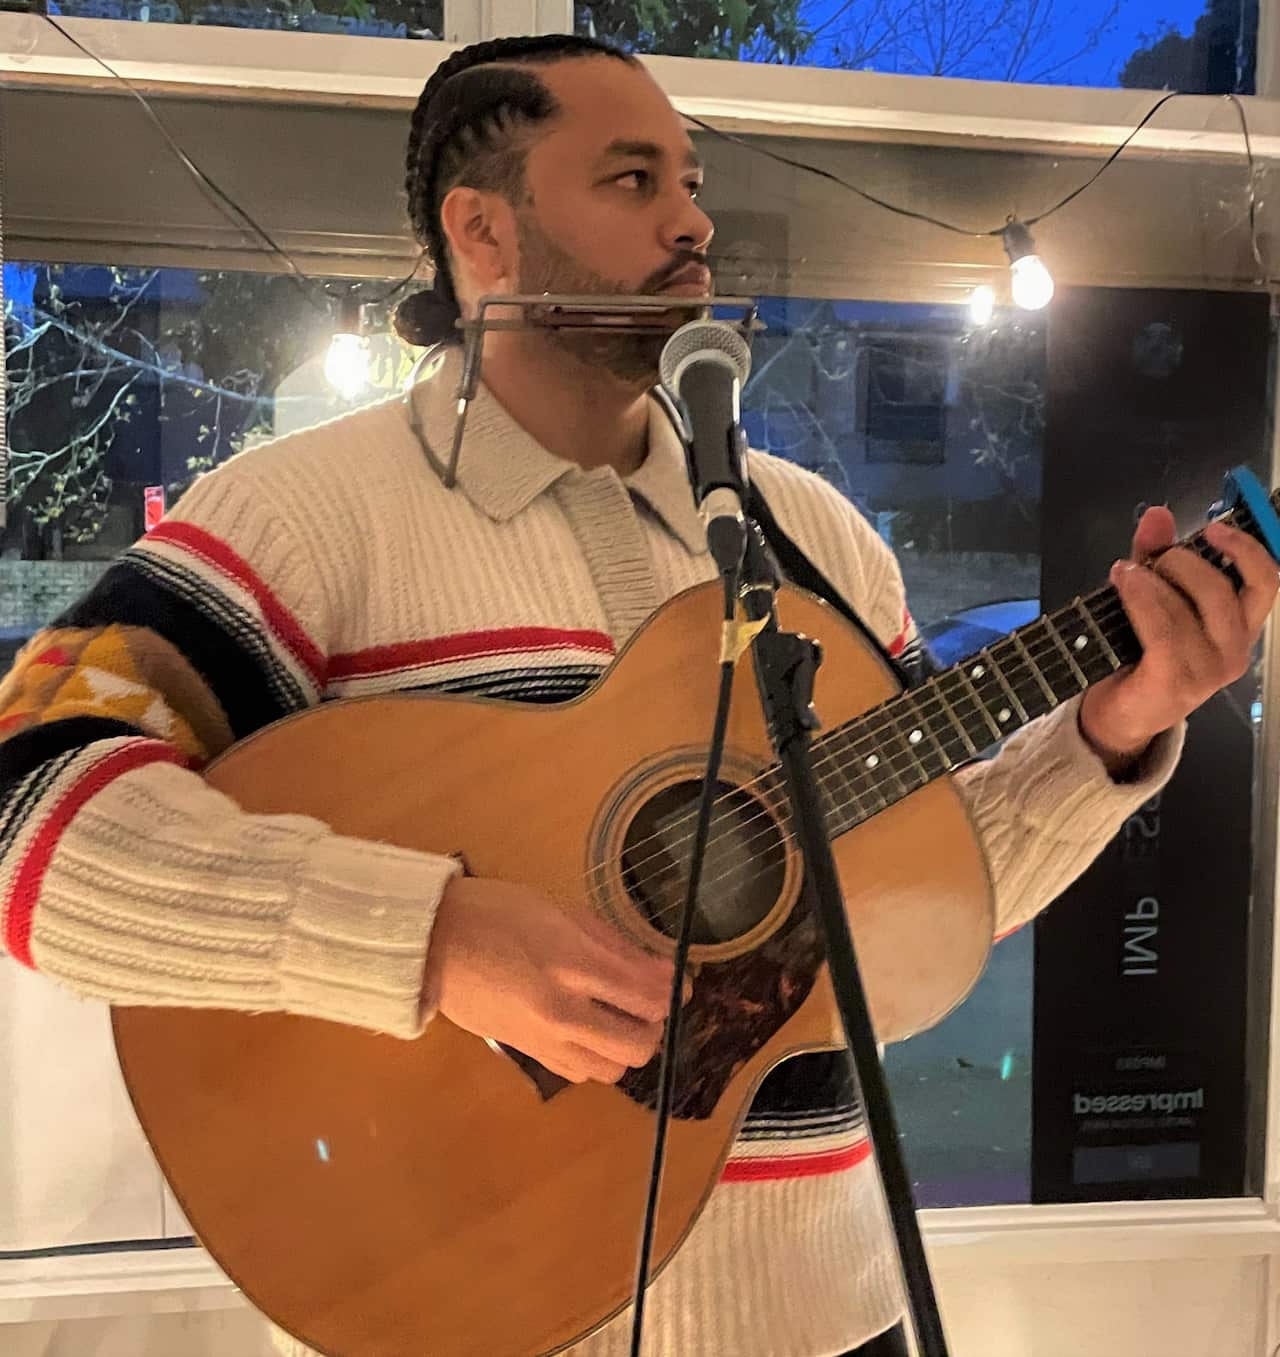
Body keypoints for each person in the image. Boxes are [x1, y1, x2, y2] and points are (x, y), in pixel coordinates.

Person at [0, 32, 1274, 1357]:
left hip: (832, 1317)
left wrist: (1105, 734)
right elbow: (25, 812)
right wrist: (431, 936)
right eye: (632, 181)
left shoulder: (820, 541)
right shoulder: (296, 519)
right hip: (468, 1313)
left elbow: (910, 897)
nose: (695, 218)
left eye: (692, 179)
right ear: (480, 231)